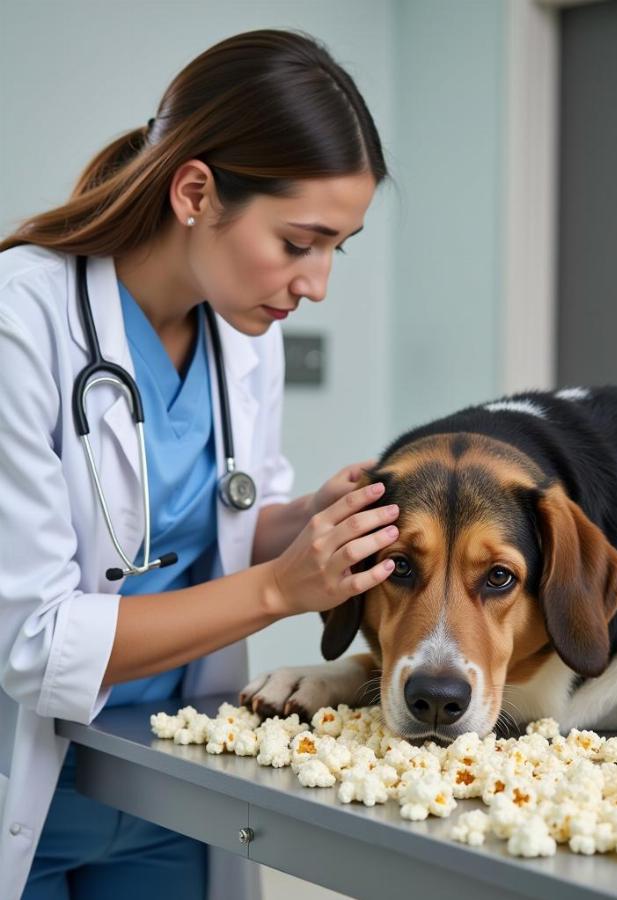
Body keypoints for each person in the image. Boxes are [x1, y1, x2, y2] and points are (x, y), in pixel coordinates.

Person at [0, 28, 400, 900]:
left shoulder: (243, 337)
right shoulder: (19, 323)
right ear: (194, 191)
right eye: (299, 242)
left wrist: (305, 527)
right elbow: (37, 644)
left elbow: (211, 523)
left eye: (339, 246)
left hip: (164, 778)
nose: (317, 282)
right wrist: (280, 590)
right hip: (28, 777)